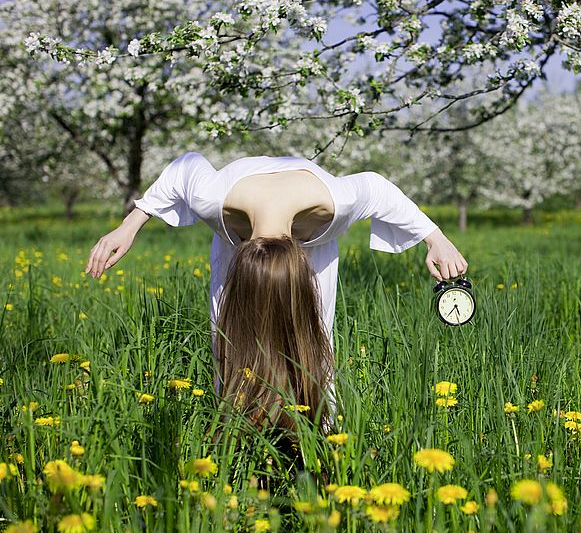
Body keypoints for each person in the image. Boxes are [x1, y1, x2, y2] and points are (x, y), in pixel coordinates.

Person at [85, 151, 468, 434]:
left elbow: (378, 187)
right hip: (237, 227)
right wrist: (130, 224)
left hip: (308, 231)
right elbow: (183, 168)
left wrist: (437, 239)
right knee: (230, 337)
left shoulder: (333, 203)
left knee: (313, 333)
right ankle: (236, 423)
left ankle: (320, 428)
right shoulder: (211, 197)